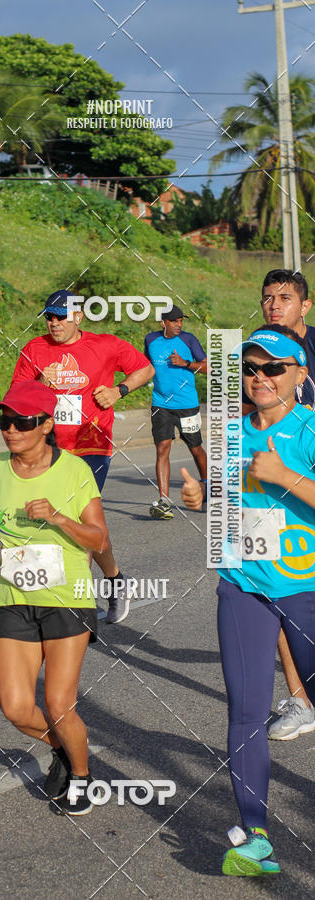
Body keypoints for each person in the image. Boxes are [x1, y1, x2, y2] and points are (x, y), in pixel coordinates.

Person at [181, 326, 315, 876]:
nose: (259, 378)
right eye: (251, 369)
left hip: (307, 588)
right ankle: (254, 834)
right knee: (247, 710)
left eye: (273, 368)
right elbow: (228, 508)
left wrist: (286, 476)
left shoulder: (309, 429)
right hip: (244, 587)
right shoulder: (231, 433)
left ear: (300, 375)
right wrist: (201, 498)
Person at [0, 381, 109, 815]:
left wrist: (57, 516)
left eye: (21, 422)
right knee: (15, 708)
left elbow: (99, 539)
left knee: (57, 703)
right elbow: (0, 521)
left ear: (47, 424)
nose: (9, 430)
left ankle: (83, 778)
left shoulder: (74, 471)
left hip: (67, 597)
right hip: (13, 595)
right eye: (3, 421)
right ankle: (67, 751)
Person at [11, 289, 154, 624]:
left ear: (78, 316)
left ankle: (76, 604)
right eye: (49, 316)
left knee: (70, 518)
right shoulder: (35, 349)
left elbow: (145, 370)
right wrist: (39, 385)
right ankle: (117, 580)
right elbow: (14, 396)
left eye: (61, 316)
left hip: (91, 447)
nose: (54, 322)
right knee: (73, 524)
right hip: (48, 449)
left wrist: (118, 391)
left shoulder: (106, 345)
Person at [242, 271, 315, 741]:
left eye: (285, 298)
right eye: (267, 298)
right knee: (277, 592)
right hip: (275, 496)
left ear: (304, 306)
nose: (274, 305)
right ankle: (301, 699)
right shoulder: (256, 353)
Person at [143, 304, 208, 520]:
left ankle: (209, 489)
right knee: (162, 448)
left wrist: (186, 363)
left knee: (195, 447)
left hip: (187, 404)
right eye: (174, 321)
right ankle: (164, 501)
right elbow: (146, 366)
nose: (179, 324)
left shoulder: (188, 340)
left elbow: (208, 367)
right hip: (160, 404)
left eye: (181, 320)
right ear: (163, 323)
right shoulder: (151, 340)